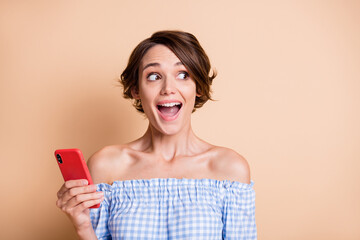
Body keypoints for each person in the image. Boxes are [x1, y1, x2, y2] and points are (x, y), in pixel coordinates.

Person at [56, 30, 257, 239]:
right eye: (154, 76)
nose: (168, 88)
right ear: (136, 90)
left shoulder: (229, 168)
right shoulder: (106, 165)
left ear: (197, 87)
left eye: (183, 75)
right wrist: (83, 228)